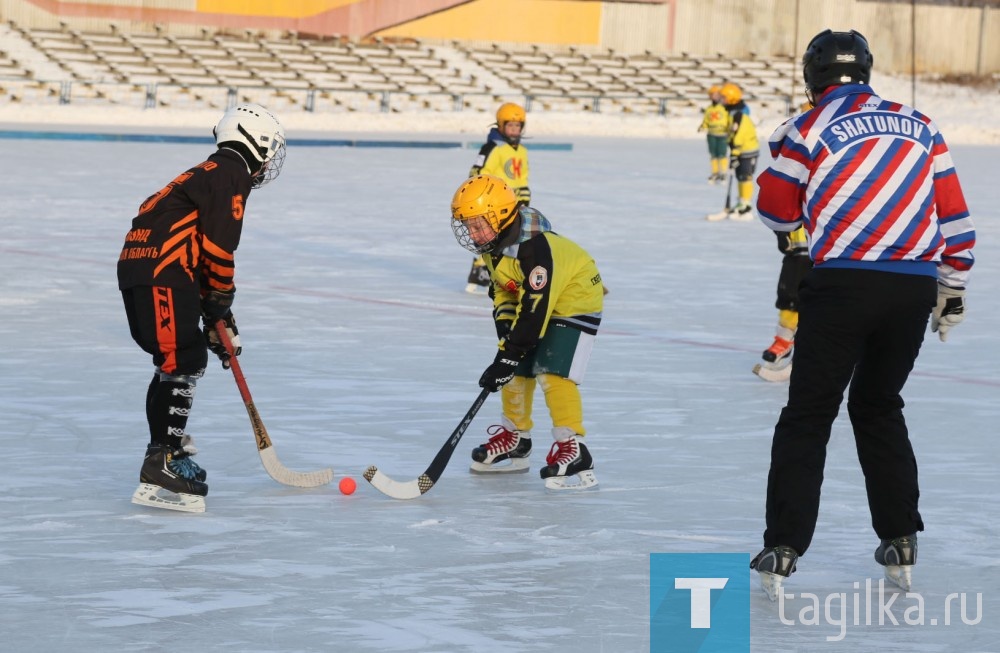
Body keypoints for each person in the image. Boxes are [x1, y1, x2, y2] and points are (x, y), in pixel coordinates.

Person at [749, 30, 975, 599]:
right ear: (866, 72)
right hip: (913, 286)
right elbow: (955, 217)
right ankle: (900, 536)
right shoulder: (921, 124)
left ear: (812, 77)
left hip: (843, 283)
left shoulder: (806, 128)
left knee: (809, 413)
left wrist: (797, 204)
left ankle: (784, 546)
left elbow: (775, 209)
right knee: (879, 406)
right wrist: (953, 287)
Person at [118, 103, 287, 513]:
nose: (268, 162)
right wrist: (220, 300)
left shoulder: (206, 172)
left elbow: (193, 246)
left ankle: (167, 454)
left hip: (145, 270)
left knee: (176, 357)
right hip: (162, 273)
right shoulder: (232, 173)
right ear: (257, 142)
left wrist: (217, 315)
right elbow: (217, 249)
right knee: (184, 357)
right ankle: (162, 460)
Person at [450, 174, 604, 490]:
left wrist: (509, 352)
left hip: (574, 299)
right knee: (515, 367)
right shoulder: (493, 247)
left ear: (502, 215)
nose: (473, 233)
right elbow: (504, 292)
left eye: (478, 224)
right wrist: (507, 341)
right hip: (538, 302)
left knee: (551, 372)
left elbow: (535, 312)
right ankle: (516, 439)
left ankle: (574, 447)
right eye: (469, 226)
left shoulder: (535, 250)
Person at [464, 102, 531, 294]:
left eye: (517, 126)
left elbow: (521, 177)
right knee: (493, 240)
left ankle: (509, 277)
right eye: (510, 125)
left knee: (518, 241)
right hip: (496, 203)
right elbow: (478, 173)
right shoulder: (492, 148)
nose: (514, 130)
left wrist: (525, 192)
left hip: (518, 204)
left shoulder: (522, 151)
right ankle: (480, 274)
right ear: (501, 126)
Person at [752, 227, 812, 382]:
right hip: (798, 247)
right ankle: (784, 339)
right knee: (790, 295)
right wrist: (780, 230)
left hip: (834, 245)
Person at [718, 82, 759, 220]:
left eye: (724, 97)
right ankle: (741, 201)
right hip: (740, 150)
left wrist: (734, 154)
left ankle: (746, 206)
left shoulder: (738, 114)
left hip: (747, 150)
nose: (721, 100)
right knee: (740, 176)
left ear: (731, 98)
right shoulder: (732, 112)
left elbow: (739, 136)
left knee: (745, 176)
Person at [697, 85, 731, 183]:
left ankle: (723, 173)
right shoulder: (709, 109)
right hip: (711, 134)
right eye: (712, 95)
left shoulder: (724, 108)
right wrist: (703, 126)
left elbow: (729, 119)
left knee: (722, 154)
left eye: (716, 94)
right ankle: (715, 173)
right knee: (713, 155)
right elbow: (706, 120)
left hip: (723, 134)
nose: (714, 97)